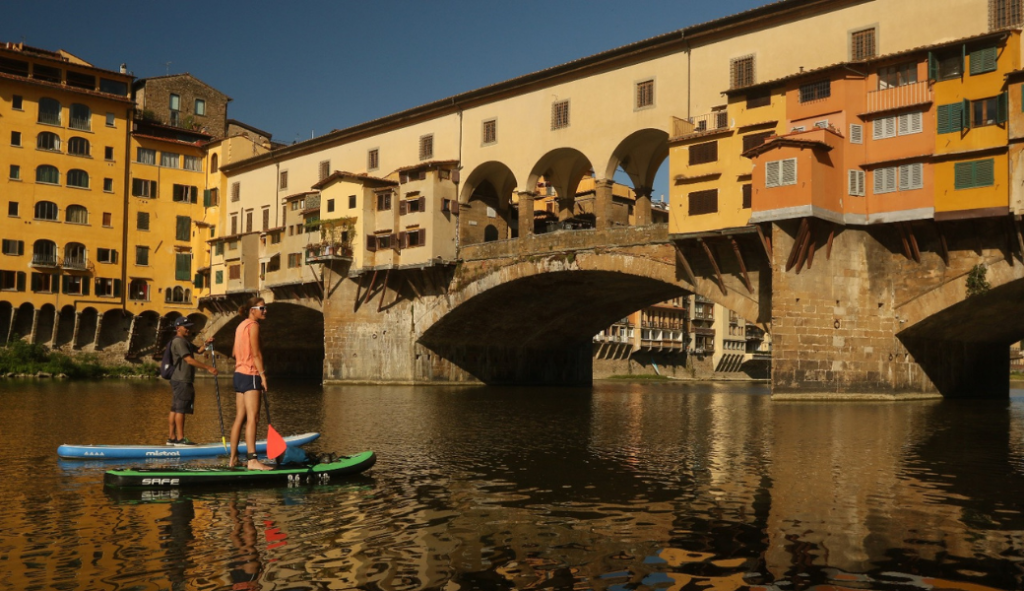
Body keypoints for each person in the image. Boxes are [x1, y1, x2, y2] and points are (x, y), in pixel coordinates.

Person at [230, 297, 274, 470]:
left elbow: (234, 352)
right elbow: (256, 355)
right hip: (251, 375)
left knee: (240, 418)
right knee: (253, 418)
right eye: (262, 308)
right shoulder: (253, 326)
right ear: (252, 310)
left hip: (238, 374)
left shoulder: (240, 325)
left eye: (265, 308)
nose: (265, 311)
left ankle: (233, 459)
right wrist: (262, 376)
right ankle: (253, 460)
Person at [167, 317, 218, 445]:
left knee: (175, 408)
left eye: (189, 326)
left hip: (180, 379)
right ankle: (180, 439)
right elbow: (189, 360)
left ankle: (172, 438)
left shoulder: (186, 341)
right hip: (182, 379)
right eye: (186, 327)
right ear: (178, 328)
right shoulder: (179, 342)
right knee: (180, 409)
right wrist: (208, 368)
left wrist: (206, 344)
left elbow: (199, 351)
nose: (188, 329)